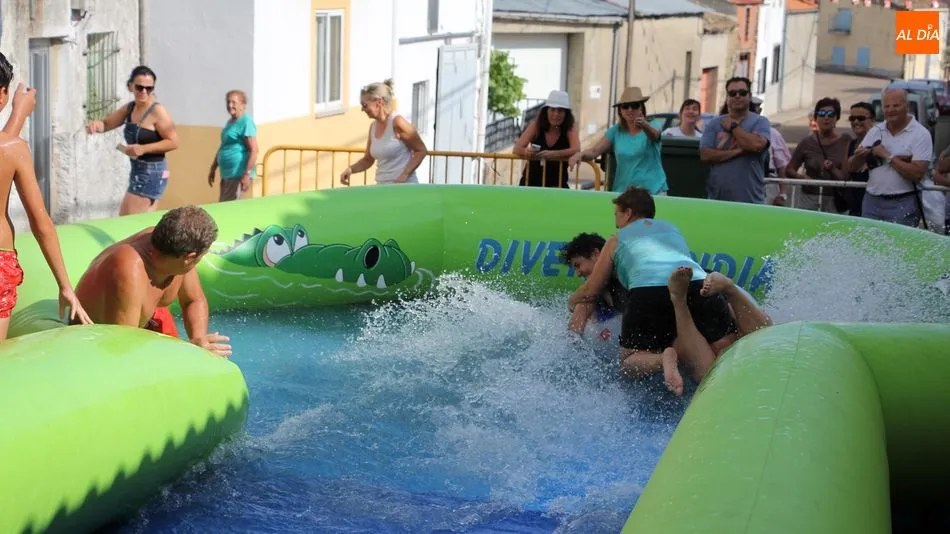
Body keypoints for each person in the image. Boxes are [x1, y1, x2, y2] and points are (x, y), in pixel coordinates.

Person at [566, 187, 772, 395]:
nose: (615, 222)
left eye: (616, 215)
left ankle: (663, 358)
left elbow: (590, 290)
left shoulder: (616, 240)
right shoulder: (671, 228)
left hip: (647, 289)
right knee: (722, 349)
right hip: (696, 278)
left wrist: (571, 302)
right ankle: (726, 289)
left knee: (629, 362)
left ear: (628, 213)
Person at [0, 53, 92, 339]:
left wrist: (19, 115)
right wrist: (65, 286)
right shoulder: (14, 150)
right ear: (2, 94)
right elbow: (41, 224)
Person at [71, 205, 231, 357]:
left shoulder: (173, 249)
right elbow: (122, 348)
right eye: (200, 257)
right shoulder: (128, 270)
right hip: (96, 338)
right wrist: (184, 351)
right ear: (189, 258)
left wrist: (199, 342)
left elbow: (193, 301)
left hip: (140, 323)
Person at [87, 65, 179, 216]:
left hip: (152, 172)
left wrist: (143, 149)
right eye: (140, 87)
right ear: (131, 86)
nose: (144, 92)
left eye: (149, 89)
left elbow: (174, 142)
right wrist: (96, 125)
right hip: (138, 170)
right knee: (140, 225)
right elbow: (107, 124)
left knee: (126, 221)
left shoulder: (157, 111)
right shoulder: (129, 108)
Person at [568, 87, 668, 195]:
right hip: (625, 192)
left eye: (634, 105)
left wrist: (645, 125)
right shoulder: (616, 131)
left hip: (653, 191)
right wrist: (580, 154)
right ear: (620, 110)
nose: (630, 109)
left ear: (641, 108)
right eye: (625, 106)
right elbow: (594, 151)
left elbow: (655, 135)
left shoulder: (653, 124)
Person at [341, 79, 428, 186]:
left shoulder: (397, 122)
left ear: (379, 103)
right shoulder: (373, 127)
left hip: (404, 186)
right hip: (383, 187)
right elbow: (368, 160)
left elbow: (421, 150)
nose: (362, 110)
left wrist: (404, 175)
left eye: (365, 105)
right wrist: (350, 170)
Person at [700, 77, 771, 204]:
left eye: (742, 93)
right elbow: (705, 155)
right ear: (727, 98)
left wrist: (733, 128)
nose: (737, 96)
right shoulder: (714, 123)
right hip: (717, 200)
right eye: (732, 93)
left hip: (751, 201)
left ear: (749, 96)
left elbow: (756, 145)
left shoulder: (760, 122)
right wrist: (739, 151)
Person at [560, 232, 627, 339]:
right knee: (583, 304)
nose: (578, 273)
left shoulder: (626, 274)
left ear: (596, 254)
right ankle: (571, 347)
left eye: (578, 265)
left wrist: (571, 302)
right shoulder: (592, 296)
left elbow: (588, 292)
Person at [512, 90, 580, 188]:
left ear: (566, 114)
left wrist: (553, 154)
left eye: (560, 110)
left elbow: (576, 149)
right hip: (530, 184)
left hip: (558, 186)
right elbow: (517, 149)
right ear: (546, 111)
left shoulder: (570, 129)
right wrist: (527, 152)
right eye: (552, 110)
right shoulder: (536, 126)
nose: (556, 114)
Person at [208, 89, 258, 202]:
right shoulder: (230, 122)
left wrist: (246, 175)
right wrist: (213, 167)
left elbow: (254, 150)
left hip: (238, 174)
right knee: (224, 205)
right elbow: (224, 145)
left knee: (229, 208)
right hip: (227, 174)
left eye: (234, 102)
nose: (230, 105)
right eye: (228, 102)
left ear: (242, 105)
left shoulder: (246, 122)